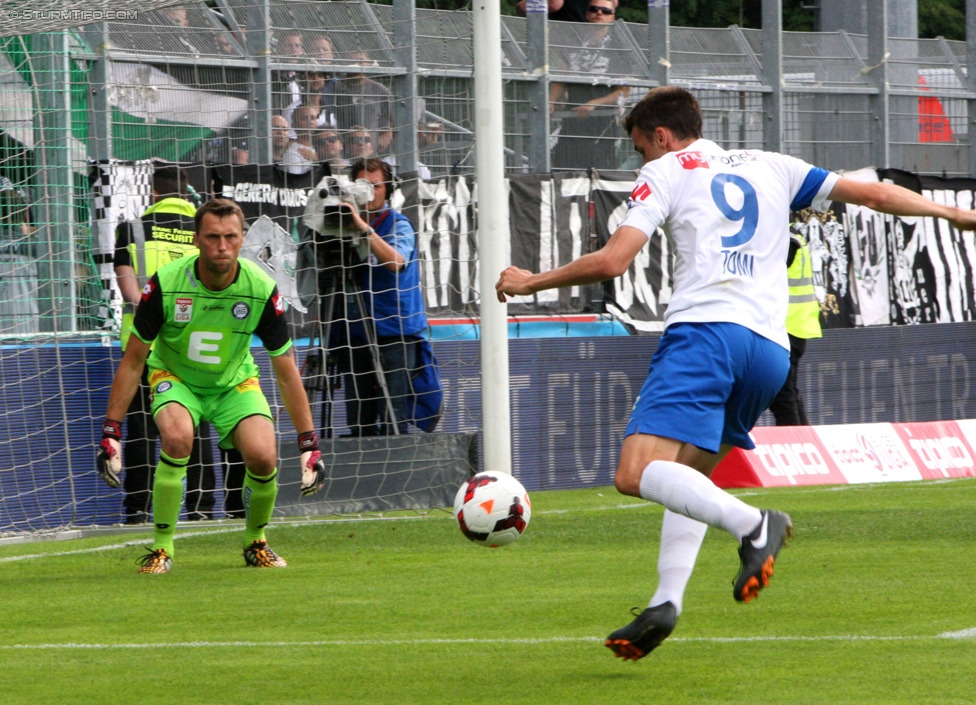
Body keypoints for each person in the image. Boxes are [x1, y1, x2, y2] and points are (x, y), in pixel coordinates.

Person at [495, 86, 976, 660]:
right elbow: (872, 193)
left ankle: (755, 524)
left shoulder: (669, 170)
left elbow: (612, 261)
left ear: (661, 137)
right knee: (687, 479)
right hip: (769, 352)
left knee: (635, 472)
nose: (643, 162)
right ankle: (666, 601)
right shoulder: (773, 165)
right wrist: (952, 213)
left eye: (641, 150)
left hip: (707, 336)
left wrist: (527, 283)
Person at [97, 198, 327, 573]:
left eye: (231, 237)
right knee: (176, 438)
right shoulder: (167, 284)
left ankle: (256, 542)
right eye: (213, 237)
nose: (222, 246)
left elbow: (285, 370)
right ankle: (162, 547)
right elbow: (134, 359)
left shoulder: (261, 290)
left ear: (241, 240)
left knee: (264, 456)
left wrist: (308, 444)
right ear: (197, 240)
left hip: (234, 383)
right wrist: (111, 432)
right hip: (176, 378)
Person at [111, 165, 217, 524]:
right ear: (187, 195)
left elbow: (130, 292)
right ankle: (200, 507)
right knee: (196, 425)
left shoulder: (132, 229)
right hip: (192, 346)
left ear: (153, 194)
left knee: (142, 430)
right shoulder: (201, 232)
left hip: (144, 345)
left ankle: (139, 509)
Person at [337, 158, 430, 436]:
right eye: (363, 185)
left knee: (394, 420)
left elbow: (396, 261)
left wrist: (362, 228)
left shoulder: (399, 224)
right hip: (354, 334)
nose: (370, 192)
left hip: (395, 333)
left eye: (376, 186)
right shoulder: (338, 227)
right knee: (359, 421)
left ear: (387, 190)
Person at [549, 0, 630, 172]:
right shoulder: (575, 41)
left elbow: (624, 91)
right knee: (563, 167)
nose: (599, 13)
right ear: (587, 14)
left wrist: (594, 104)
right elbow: (562, 76)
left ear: (612, 17)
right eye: (594, 9)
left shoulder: (618, 46)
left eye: (605, 11)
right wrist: (551, 101)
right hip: (572, 119)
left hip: (603, 122)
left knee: (599, 171)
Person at [769, 228, 822, 426]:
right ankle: (804, 438)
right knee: (787, 392)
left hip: (787, 326)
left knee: (782, 395)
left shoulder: (785, 240)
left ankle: (795, 439)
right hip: (793, 325)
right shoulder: (792, 237)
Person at [321, 52, 393, 156]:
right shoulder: (333, 89)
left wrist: (376, 147)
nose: (356, 67)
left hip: (369, 154)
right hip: (340, 154)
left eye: (360, 62)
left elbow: (391, 125)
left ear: (368, 63)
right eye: (352, 62)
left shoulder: (380, 90)